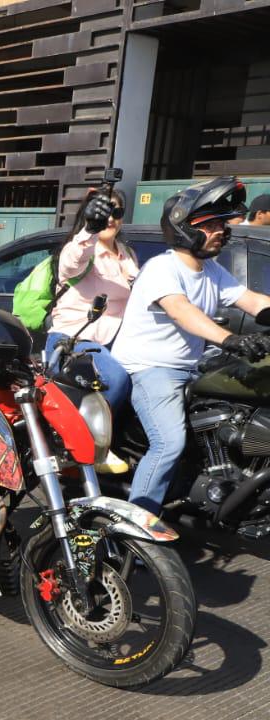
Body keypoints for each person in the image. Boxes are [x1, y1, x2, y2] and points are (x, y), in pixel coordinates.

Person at [111, 177, 270, 515]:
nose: (221, 231)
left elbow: (251, 300)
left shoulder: (211, 270)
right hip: (152, 369)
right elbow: (183, 312)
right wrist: (232, 339)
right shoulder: (162, 268)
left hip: (194, 366)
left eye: (221, 224)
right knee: (169, 444)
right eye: (210, 225)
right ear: (185, 228)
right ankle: (136, 527)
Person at [43, 189, 138, 473]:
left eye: (117, 211)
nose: (111, 217)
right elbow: (72, 263)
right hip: (75, 341)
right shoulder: (84, 246)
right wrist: (89, 229)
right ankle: (87, 446)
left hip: (118, 343)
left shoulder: (127, 254)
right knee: (116, 379)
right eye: (103, 210)